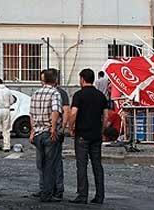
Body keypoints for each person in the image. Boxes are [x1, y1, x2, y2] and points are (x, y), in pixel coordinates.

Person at [69, 68, 109, 205]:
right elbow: (106, 116)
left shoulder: (78, 95)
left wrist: (70, 127)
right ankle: (100, 195)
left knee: (81, 165)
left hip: (82, 134)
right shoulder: (101, 96)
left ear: (82, 79)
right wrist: (102, 130)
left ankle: (82, 195)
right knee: (97, 165)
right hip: (96, 134)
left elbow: (73, 113)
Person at [29, 69, 63, 203]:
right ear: (55, 80)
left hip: (37, 132)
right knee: (50, 164)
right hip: (48, 132)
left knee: (41, 164)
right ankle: (48, 194)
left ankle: (43, 189)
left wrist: (32, 131)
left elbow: (31, 114)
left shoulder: (36, 93)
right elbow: (55, 111)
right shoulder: (55, 93)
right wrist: (53, 128)